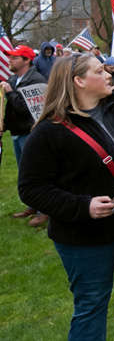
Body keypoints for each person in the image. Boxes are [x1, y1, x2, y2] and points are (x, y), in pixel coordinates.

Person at [18, 53, 114, 341]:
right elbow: (31, 188)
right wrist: (83, 206)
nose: (110, 73)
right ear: (79, 81)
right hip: (83, 238)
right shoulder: (50, 131)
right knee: (91, 308)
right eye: (100, 70)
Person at [3, 45, 48, 224]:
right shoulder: (14, 79)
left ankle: (44, 210)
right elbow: (11, 109)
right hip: (17, 132)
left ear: (27, 60)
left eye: (15, 58)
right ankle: (32, 204)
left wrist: (9, 93)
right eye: (10, 57)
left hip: (30, 132)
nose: (10, 60)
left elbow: (25, 109)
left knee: (37, 172)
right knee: (25, 172)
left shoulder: (35, 79)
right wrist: (4, 124)